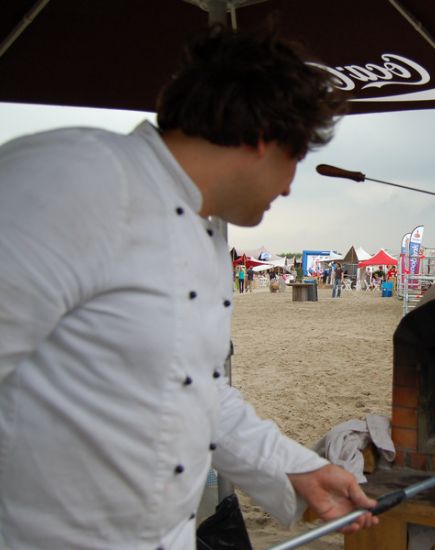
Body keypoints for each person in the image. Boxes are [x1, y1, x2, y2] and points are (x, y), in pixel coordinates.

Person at [0, 26, 377, 549]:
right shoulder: (75, 177)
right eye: (294, 159)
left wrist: (295, 469)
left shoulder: (205, 228)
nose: (290, 186)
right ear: (262, 135)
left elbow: (193, 390)